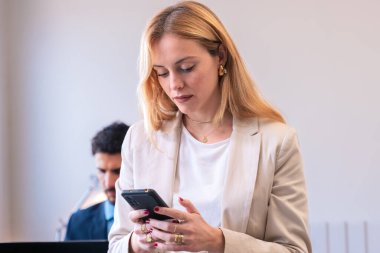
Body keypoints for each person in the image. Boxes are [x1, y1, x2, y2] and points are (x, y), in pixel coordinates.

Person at [109, 1, 312, 252]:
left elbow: (295, 249)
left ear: (221, 58)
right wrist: (136, 243)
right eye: (161, 73)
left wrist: (218, 242)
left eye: (186, 68)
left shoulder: (276, 142)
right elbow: (116, 244)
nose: (174, 85)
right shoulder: (140, 139)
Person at [65, 121, 130, 240]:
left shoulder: (157, 224)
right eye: (102, 171)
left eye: (117, 171)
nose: (109, 183)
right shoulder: (78, 224)